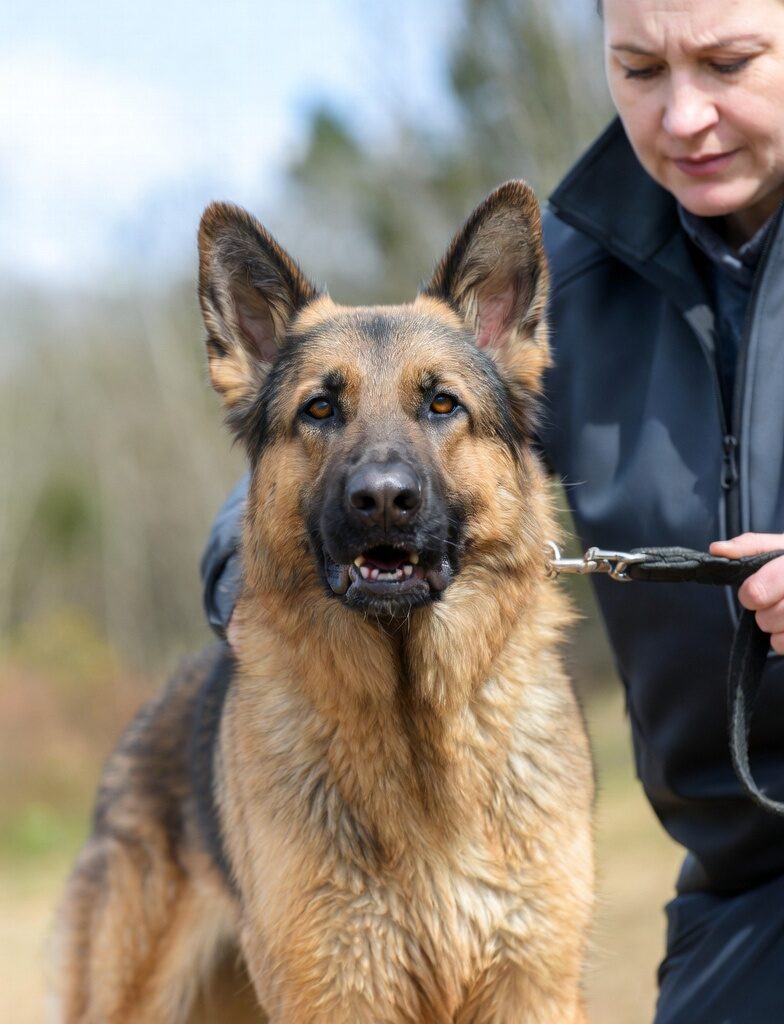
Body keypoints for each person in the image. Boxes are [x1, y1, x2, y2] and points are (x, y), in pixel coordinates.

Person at [200, 1, 784, 1020]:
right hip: (745, 875)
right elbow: (276, 484)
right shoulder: (573, 269)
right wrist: (242, 583)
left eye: (728, 62)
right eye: (640, 68)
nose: (684, 115)